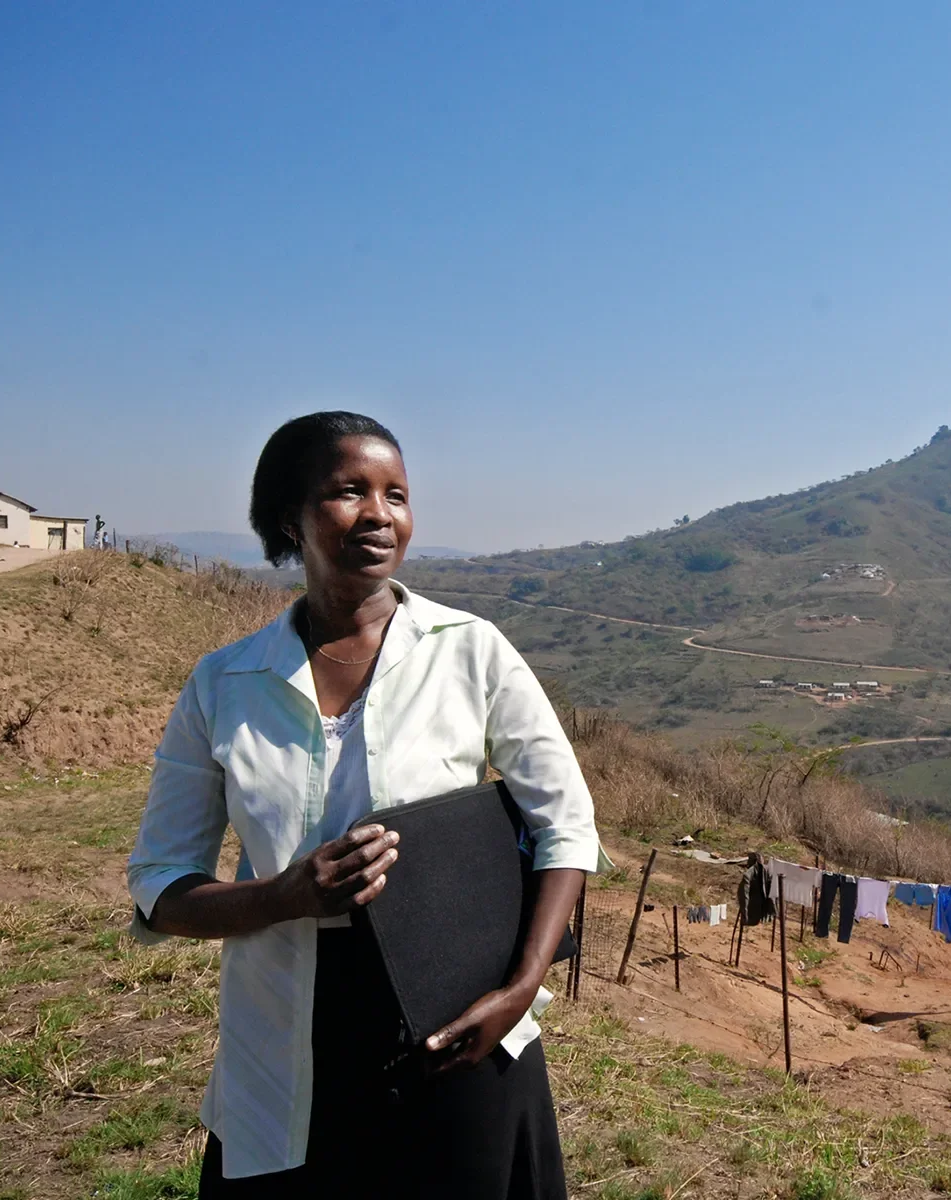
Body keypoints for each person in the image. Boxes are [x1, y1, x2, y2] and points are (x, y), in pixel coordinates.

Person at [126, 411, 600, 1196]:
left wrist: (518, 993)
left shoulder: (470, 650)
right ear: (292, 518)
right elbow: (160, 883)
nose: (380, 514)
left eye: (397, 495)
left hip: (462, 1023)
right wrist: (283, 895)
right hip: (288, 1040)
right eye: (350, 491)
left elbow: (565, 824)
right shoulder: (224, 684)